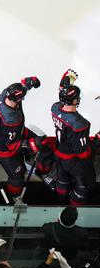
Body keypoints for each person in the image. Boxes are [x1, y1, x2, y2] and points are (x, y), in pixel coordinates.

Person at [0, 77, 50, 199]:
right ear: (18, 99)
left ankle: (40, 169)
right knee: (17, 176)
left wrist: (26, 85)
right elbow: (12, 145)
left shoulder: (2, 96)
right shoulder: (11, 119)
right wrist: (32, 144)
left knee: (44, 144)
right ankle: (15, 197)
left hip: (4, 134)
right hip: (4, 149)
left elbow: (14, 91)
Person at [50, 70, 97, 206]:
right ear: (75, 100)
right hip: (73, 161)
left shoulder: (55, 109)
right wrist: (97, 140)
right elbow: (83, 153)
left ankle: (61, 204)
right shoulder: (80, 124)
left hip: (59, 155)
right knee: (83, 187)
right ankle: (75, 211)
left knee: (62, 181)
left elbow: (60, 96)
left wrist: (65, 82)